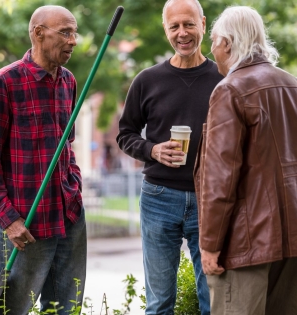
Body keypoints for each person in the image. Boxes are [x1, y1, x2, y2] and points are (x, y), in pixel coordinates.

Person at [116, 0, 223, 314]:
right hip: (159, 196)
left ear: (203, 23)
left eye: (188, 24)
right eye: (174, 26)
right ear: (165, 29)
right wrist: (152, 149)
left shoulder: (223, 77)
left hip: (210, 198)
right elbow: (126, 134)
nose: (182, 33)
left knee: (212, 299)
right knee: (160, 302)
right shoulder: (148, 80)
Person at [0, 5, 85, 314]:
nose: (73, 41)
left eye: (74, 33)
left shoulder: (68, 82)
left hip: (68, 214)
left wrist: (74, 185)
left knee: (67, 307)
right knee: (15, 309)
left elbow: (69, 145)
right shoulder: (6, 82)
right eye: (65, 32)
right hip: (24, 223)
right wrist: (7, 218)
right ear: (38, 33)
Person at [195, 5, 297, 314]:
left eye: (213, 41)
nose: (212, 51)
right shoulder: (291, 85)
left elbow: (220, 178)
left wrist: (210, 245)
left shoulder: (230, 90)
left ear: (227, 43)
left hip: (246, 242)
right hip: (292, 235)